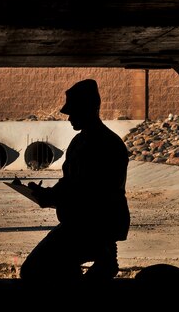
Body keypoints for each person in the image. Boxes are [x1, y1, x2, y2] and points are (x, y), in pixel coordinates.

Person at [20, 79, 130, 286]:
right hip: (78, 223)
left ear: (89, 109)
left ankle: (104, 260)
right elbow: (71, 182)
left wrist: (52, 197)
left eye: (74, 112)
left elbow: (91, 191)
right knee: (57, 270)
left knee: (34, 270)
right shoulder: (80, 141)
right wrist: (47, 193)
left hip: (93, 225)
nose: (69, 118)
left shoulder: (106, 144)